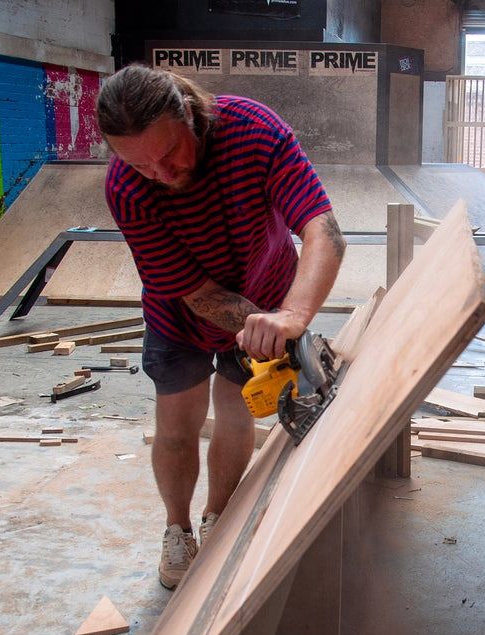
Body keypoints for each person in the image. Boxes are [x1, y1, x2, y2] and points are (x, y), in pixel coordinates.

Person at [96, 64, 346, 590]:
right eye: (140, 164)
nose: (160, 174)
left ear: (187, 113)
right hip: (180, 316)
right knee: (177, 427)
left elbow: (323, 229)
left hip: (272, 295)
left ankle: (217, 520)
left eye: (168, 155)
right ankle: (178, 529)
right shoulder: (126, 188)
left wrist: (292, 317)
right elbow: (197, 292)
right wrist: (262, 327)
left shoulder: (255, 132)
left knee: (236, 414)